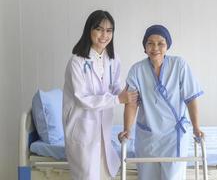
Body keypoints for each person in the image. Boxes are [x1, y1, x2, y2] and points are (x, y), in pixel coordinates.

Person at [118, 24, 204, 180]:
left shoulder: (179, 65)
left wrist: (196, 128)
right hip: (148, 137)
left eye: (160, 43)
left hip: (174, 137)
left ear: (167, 46)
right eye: (150, 43)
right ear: (144, 47)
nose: (155, 47)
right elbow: (131, 103)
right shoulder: (137, 70)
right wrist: (127, 129)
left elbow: (191, 99)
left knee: (173, 177)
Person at [62, 10, 138, 180]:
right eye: (99, 29)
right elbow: (83, 99)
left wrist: (130, 93)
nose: (104, 35)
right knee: (88, 175)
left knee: (105, 174)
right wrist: (118, 99)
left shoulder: (113, 59)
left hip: (103, 129)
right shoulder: (77, 61)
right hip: (83, 131)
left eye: (109, 30)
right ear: (89, 30)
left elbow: (115, 87)